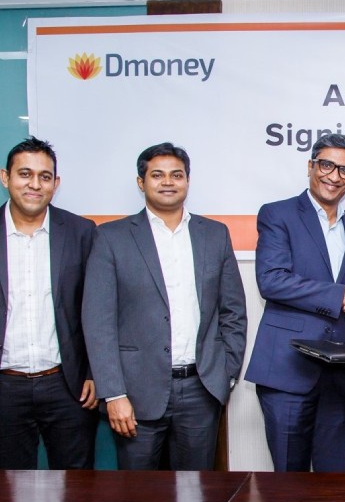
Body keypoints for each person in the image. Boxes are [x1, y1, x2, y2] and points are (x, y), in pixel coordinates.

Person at [83, 142, 247, 470]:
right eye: (157, 175)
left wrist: (225, 374)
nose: (168, 182)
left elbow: (233, 311)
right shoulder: (112, 237)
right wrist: (113, 394)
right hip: (135, 394)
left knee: (195, 491)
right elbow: (98, 322)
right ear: (141, 182)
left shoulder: (214, 234)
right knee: (140, 495)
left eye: (177, 175)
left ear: (188, 180)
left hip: (201, 389)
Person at [245, 133, 345, 473]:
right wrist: (340, 295)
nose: (334, 176)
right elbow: (272, 280)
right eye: (326, 165)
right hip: (287, 371)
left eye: (344, 170)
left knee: (335, 483)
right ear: (310, 166)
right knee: (288, 483)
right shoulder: (277, 214)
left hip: (340, 376)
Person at [0, 137, 98, 469]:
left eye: (44, 176)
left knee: (76, 487)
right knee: (10, 490)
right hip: (5, 386)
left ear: (55, 184)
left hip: (68, 386)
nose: (34, 184)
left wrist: (94, 373)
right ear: (5, 177)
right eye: (24, 174)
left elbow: (96, 308)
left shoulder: (81, 232)